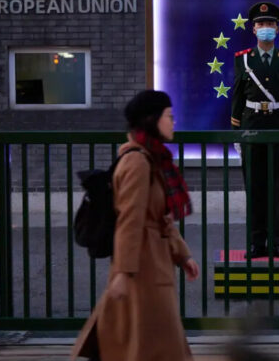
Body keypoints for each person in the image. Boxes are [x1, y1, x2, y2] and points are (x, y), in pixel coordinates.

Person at [72, 90, 200, 361]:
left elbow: (160, 217)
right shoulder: (138, 162)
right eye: (169, 116)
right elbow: (130, 220)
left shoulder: (152, 159)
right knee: (154, 346)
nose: (173, 122)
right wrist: (123, 272)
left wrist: (182, 254)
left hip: (150, 266)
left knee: (146, 344)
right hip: (142, 268)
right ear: (152, 120)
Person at [231, 1, 279, 259]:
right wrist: (236, 133)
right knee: (254, 187)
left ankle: (277, 242)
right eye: (261, 24)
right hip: (251, 129)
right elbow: (237, 96)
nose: (265, 28)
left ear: (277, 29)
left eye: (270, 24)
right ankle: (256, 242)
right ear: (253, 29)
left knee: (276, 187)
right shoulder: (243, 59)